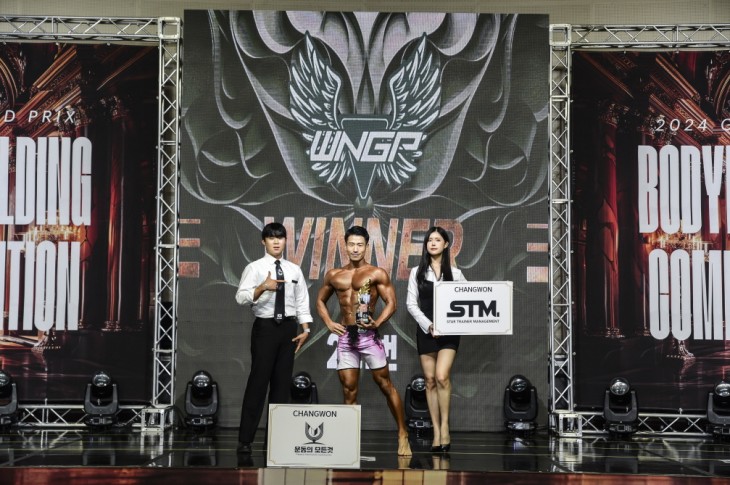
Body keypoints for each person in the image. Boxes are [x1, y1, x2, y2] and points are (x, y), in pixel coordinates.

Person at [316, 225, 412, 457]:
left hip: (368, 336)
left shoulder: (376, 273)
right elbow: (320, 301)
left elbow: (392, 303)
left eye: (360, 244)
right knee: (349, 389)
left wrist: (377, 322)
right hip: (345, 337)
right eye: (351, 244)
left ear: (366, 246)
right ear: (345, 245)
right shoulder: (334, 274)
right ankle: (349, 440)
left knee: (385, 384)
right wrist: (328, 322)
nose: (355, 249)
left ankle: (403, 434)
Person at [235, 222, 312, 453]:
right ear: (264, 241)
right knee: (258, 383)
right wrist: (262, 288)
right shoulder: (255, 267)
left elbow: (301, 301)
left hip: (288, 329)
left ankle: (275, 440)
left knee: (281, 386)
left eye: (280, 237)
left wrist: (305, 329)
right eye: (271, 238)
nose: (276, 242)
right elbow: (240, 297)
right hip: (266, 328)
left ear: (286, 241)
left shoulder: (294, 269)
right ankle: (245, 440)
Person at [406, 226, 466, 453]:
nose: (432, 243)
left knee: (442, 376)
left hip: (449, 332)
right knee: (430, 380)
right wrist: (429, 325)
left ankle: (445, 427)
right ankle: (437, 430)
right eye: (429, 240)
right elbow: (411, 304)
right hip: (426, 331)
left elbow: (470, 299)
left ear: (446, 244)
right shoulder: (416, 272)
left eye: (437, 240)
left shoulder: (456, 274)